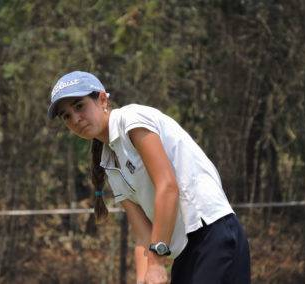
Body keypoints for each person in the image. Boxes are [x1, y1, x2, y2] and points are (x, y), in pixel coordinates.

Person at [47, 71, 251, 284]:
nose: (76, 119)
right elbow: (144, 236)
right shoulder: (109, 163)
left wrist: (156, 261)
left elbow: (168, 187)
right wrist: (143, 278)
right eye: (66, 116)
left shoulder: (132, 120)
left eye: (79, 106)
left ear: (102, 99)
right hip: (184, 252)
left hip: (213, 234)